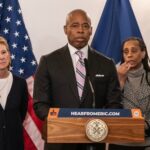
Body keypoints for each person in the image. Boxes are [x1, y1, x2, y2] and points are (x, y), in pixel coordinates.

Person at [33, 9, 122, 150]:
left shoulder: (107, 63)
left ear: (91, 30)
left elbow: (115, 103)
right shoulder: (48, 61)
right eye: (74, 25)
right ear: (65, 29)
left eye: (85, 26)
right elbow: (40, 103)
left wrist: (98, 124)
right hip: (60, 140)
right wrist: (63, 124)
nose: (80, 30)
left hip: (93, 140)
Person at [109, 37, 150, 150]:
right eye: (125, 52)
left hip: (145, 141)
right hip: (119, 141)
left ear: (143, 53)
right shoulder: (113, 77)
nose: (129, 55)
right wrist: (120, 80)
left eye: (134, 51)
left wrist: (144, 126)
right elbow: (108, 108)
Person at [0, 36, 28, 150]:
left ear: (9, 55)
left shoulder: (20, 83)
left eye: (3, 52)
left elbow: (21, 114)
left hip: (14, 143)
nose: (1, 57)